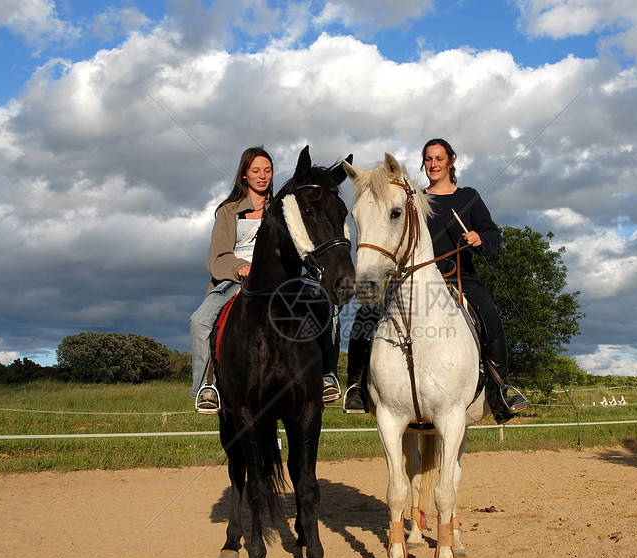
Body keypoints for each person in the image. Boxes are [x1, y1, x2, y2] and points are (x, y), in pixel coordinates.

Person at [343, 138, 528, 423]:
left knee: (490, 315)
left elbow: (494, 236)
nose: (433, 164)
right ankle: (356, 385)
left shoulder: (468, 197)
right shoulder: (412, 198)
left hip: (459, 277)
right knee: (365, 314)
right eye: (428, 159)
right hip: (411, 280)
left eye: (439, 158)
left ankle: (499, 389)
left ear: (451, 161)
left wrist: (480, 238)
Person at [190, 146, 342, 414]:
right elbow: (217, 257)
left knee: (327, 308)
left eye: (267, 171)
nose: (262, 176)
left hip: (282, 278)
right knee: (200, 320)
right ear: (244, 175)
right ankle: (206, 386)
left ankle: (326, 375)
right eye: (256, 171)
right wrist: (241, 267)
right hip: (238, 279)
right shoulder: (228, 211)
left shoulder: (285, 207)